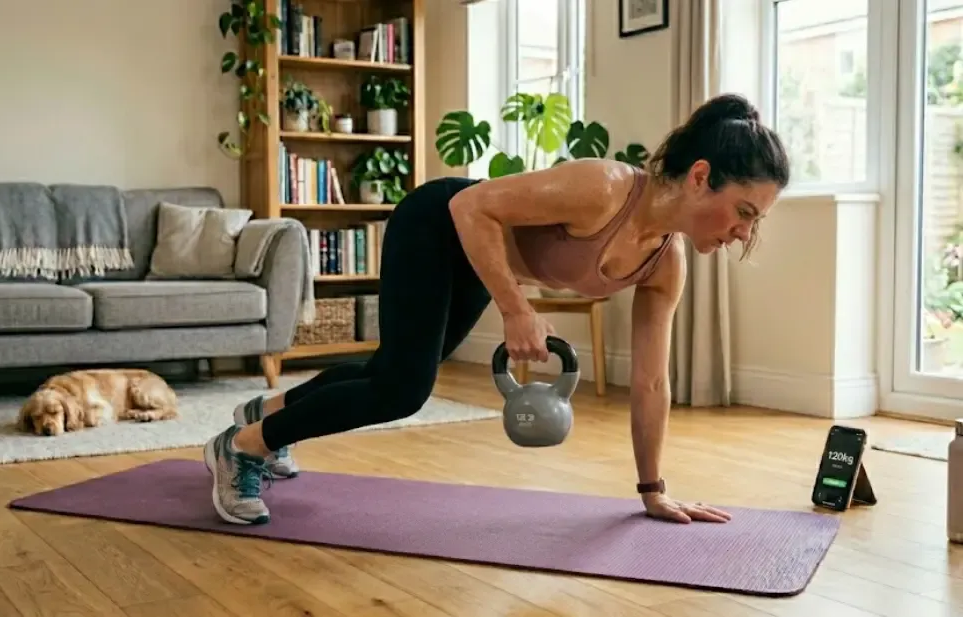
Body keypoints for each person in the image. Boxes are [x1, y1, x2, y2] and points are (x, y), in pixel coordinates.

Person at [202, 92, 790, 526]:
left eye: (753, 221)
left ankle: (268, 411)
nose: (743, 233)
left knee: (394, 372)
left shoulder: (666, 263)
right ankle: (242, 446)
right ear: (700, 177)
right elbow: (470, 207)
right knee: (404, 388)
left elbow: (652, 380)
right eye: (745, 211)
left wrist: (653, 489)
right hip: (439, 219)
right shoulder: (604, 188)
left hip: (482, 255)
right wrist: (515, 309)